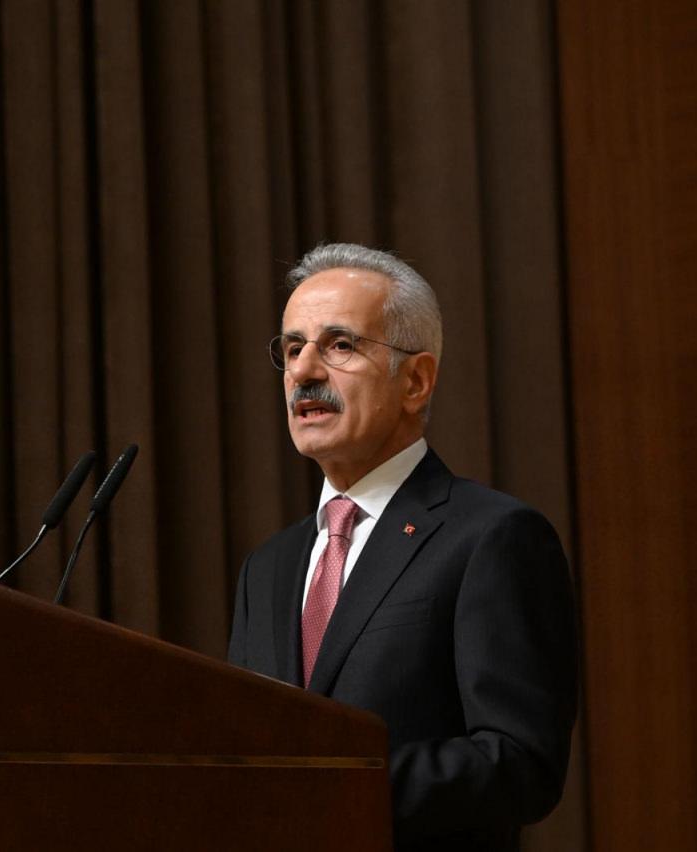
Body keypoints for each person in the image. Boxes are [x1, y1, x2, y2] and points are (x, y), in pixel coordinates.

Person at [227, 243, 577, 852]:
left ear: (415, 381)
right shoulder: (268, 569)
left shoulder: (491, 537)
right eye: (293, 348)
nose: (304, 372)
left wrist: (338, 788)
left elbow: (521, 762)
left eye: (339, 345)